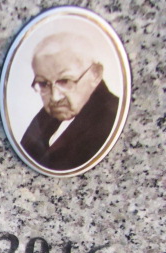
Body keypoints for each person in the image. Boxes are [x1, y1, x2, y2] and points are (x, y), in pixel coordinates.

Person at [20, 33, 119, 171]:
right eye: (43, 83)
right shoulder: (47, 116)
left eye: (65, 81)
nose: (55, 97)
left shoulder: (112, 119)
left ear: (95, 74)